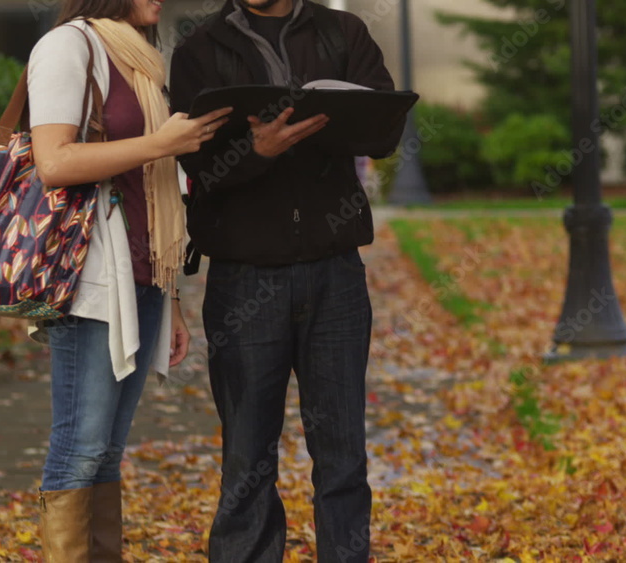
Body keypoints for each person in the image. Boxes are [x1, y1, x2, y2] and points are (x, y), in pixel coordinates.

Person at [170, 1, 403, 560]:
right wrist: (257, 152)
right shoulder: (198, 48)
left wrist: (324, 126)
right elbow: (195, 165)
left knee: (343, 453)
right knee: (247, 458)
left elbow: (384, 131)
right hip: (244, 281)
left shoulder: (344, 32)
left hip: (336, 275)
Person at [25, 0, 231, 559]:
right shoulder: (69, 47)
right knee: (80, 447)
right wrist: (161, 143)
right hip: (90, 277)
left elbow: (153, 192)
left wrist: (173, 299)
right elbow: (54, 162)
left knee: (109, 451)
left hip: (144, 277)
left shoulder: (141, 60)